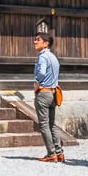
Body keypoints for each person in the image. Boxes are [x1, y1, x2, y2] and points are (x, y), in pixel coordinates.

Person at [33, 31, 64, 162]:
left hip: (44, 92)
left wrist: (37, 83)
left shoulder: (43, 57)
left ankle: (51, 153)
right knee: (52, 124)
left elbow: (40, 72)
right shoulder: (53, 57)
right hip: (53, 92)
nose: (35, 42)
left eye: (38, 40)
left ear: (46, 43)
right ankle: (59, 152)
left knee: (44, 124)